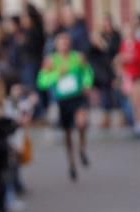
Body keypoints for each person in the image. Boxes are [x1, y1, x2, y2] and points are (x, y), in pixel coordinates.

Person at [37, 32, 94, 181]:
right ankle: (72, 164)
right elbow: (41, 81)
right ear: (56, 46)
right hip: (63, 100)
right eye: (61, 43)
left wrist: (87, 84)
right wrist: (56, 74)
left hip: (77, 97)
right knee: (68, 133)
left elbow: (87, 71)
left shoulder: (77, 57)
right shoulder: (51, 61)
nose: (64, 46)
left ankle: (82, 149)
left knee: (82, 123)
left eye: (67, 43)